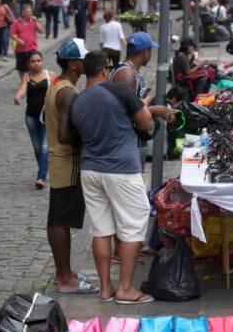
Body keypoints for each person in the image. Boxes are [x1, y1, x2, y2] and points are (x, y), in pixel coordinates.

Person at [70, 50, 155, 305]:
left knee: (101, 229)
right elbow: (145, 122)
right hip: (121, 169)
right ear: (105, 71)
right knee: (133, 225)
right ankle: (126, 289)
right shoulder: (119, 91)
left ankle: (105, 288)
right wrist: (143, 107)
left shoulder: (79, 100)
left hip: (91, 170)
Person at [45, 38, 98, 294]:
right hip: (69, 161)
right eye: (83, 58)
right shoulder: (68, 92)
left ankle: (62, 273)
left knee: (56, 219)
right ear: (74, 64)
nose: (86, 62)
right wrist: (91, 138)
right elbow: (66, 135)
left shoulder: (57, 83)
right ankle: (65, 278)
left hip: (59, 161)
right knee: (61, 221)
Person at [110, 32, 176, 168]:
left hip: (135, 145)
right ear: (146, 51)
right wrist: (154, 110)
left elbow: (136, 103)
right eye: (151, 51)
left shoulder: (131, 72)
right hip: (128, 147)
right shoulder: (126, 74)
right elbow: (124, 113)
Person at [14, 51, 52, 189]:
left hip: (47, 117)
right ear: (28, 64)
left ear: (42, 61)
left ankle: (41, 177)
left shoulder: (50, 76)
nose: (36, 63)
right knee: (37, 148)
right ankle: (44, 169)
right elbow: (23, 89)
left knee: (44, 147)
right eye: (33, 61)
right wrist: (18, 96)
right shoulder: (27, 76)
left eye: (38, 60)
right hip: (31, 117)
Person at [11, 5, 44, 79]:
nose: (31, 13)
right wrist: (18, 40)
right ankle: (23, 82)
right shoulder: (17, 22)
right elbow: (11, 34)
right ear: (23, 12)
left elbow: (41, 31)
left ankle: (33, 81)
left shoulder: (33, 21)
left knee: (34, 66)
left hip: (32, 49)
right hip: (20, 50)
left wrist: (36, 22)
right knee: (21, 68)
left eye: (31, 11)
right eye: (28, 11)